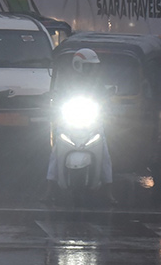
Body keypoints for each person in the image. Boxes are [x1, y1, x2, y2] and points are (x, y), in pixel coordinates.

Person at [46, 48, 114, 200]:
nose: (92, 69)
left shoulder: (98, 84)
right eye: (89, 66)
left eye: (93, 66)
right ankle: (50, 189)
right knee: (55, 154)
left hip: (93, 124)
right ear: (78, 65)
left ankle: (109, 191)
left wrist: (107, 106)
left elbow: (106, 101)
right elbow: (58, 98)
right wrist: (55, 104)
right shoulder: (67, 82)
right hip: (69, 123)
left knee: (105, 154)